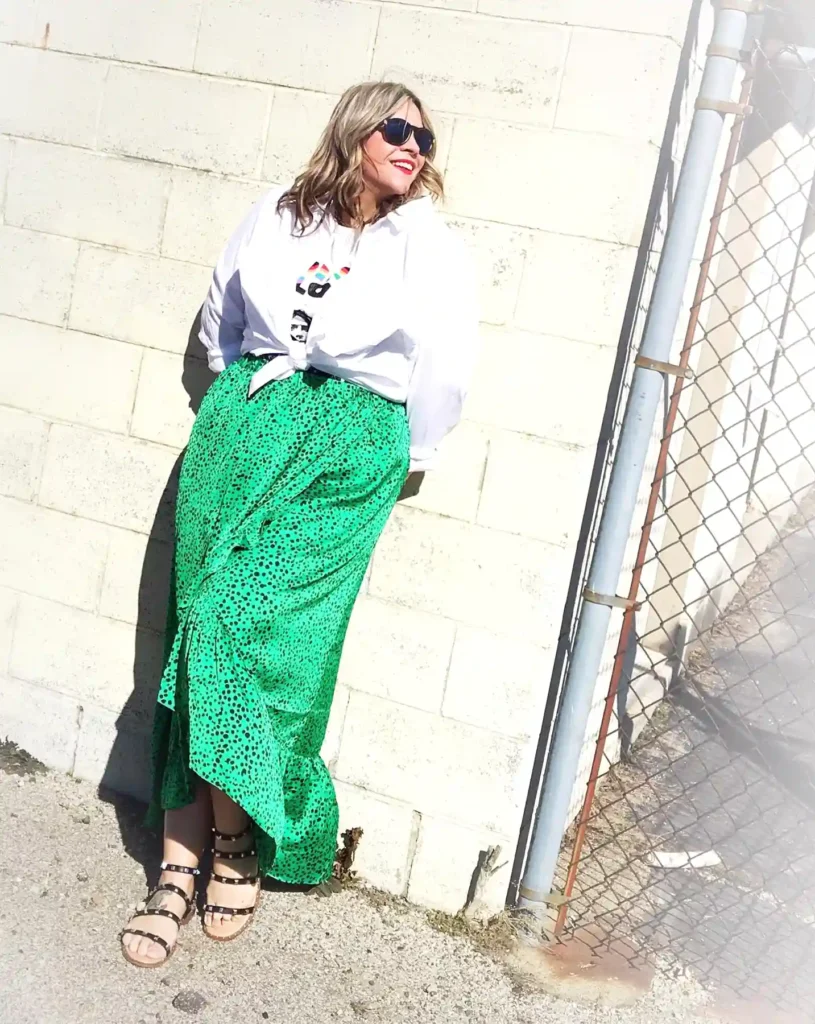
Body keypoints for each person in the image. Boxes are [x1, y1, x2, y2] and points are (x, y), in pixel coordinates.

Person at [120, 80, 477, 967]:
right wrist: (241, 400)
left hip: (349, 449)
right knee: (193, 635)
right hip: (246, 429)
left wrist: (402, 455)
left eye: (424, 139)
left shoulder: (425, 241)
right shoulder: (276, 215)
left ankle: (235, 842)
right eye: (397, 129)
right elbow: (220, 321)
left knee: (244, 634)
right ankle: (180, 860)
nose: (412, 147)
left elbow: (444, 366)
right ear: (356, 131)